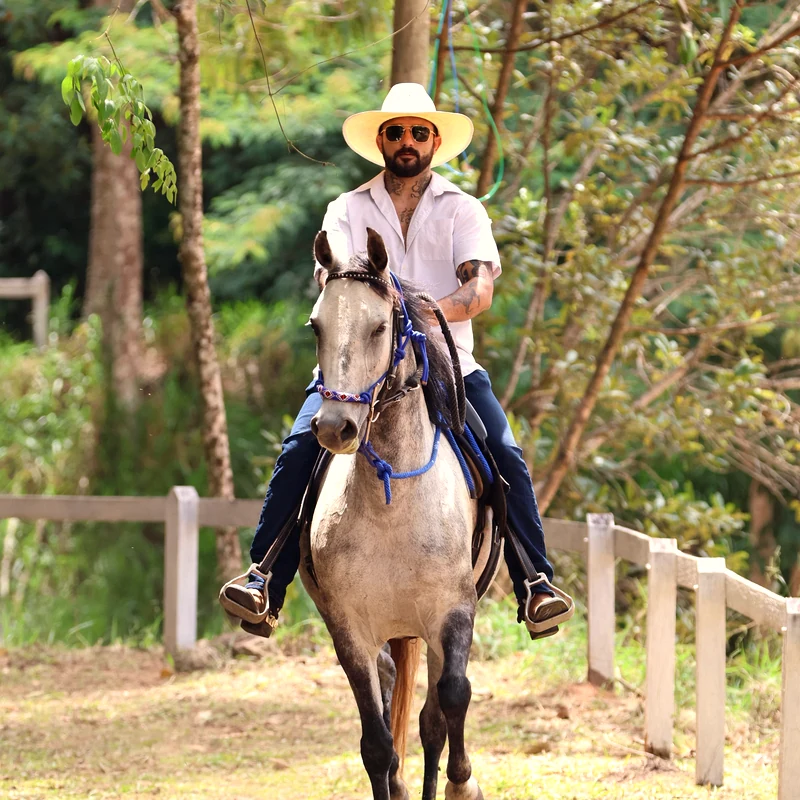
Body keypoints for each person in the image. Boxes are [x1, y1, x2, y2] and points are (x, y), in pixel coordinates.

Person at [222, 83, 572, 640]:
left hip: (446, 361)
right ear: (380, 141)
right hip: (356, 367)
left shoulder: (463, 209)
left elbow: (478, 291)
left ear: (434, 140)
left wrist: (422, 314)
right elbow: (332, 280)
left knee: (504, 451)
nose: (406, 141)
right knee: (298, 450)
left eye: (417, 132)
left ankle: (535, 583)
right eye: (395, 132)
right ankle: (265, 580)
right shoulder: (346, 209)